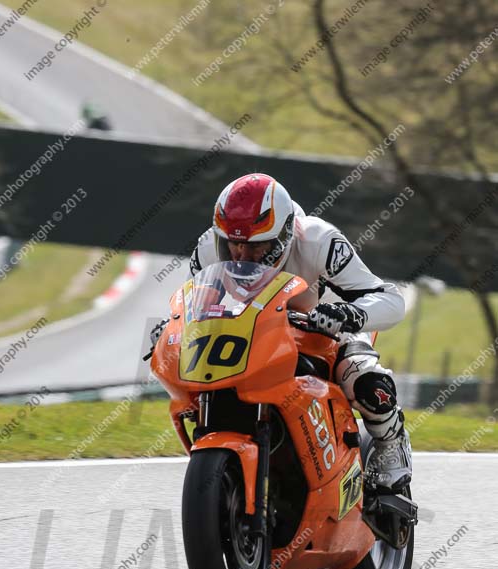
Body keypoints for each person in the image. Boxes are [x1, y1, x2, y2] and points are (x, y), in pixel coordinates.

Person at [152, 173, 412, 492]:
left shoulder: (319, 240)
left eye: (258, 248)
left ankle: (390, 443)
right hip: (254, 329)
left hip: (325, 326)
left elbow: (389, 298)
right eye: (234, 245)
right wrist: (173, 329)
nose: (243, 258)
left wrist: (349, 313)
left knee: (362, 377)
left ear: (285, 234)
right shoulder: (207, 249)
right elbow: (197, 305)